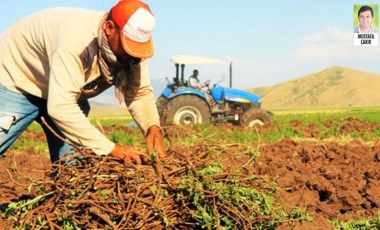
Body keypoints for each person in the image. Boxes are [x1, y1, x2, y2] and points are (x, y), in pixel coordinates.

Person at [0, 0, 166, 164]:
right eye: (126, 45)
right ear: (109, 28)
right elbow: (61, 107)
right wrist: (111, 148)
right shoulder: (76, 41)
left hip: (66, 92)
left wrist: (152, 126)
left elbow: (139, 92)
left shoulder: (134, 51)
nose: (131, 54)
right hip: (17, 78)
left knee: (72, 166)